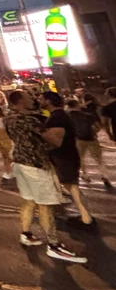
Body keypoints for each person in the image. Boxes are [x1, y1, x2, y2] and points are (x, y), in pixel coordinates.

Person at [5, 90, 86, 263]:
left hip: (20, 163)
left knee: (29, 201)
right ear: (20, 101)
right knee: (46, 205)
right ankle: (54, 245)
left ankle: (26, 234)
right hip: (36, 166)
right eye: (28, 97)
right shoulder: (31, 120)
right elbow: (54, 140)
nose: (33, 99)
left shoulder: (9, 118)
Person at [42, 94, 93, 228]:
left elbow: (56, 141)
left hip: (63, 157)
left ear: (48, 101)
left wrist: (40, 134)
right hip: (67, 155)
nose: (38, 101)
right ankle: (86, 217)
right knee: (71, 186)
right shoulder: (61, 115)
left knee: (72, 187)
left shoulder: (57, 118)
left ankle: (86, 219)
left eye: (41, 99)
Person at [69, 99, 112, 188]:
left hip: (79, 139)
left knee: (80, 158)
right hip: (92, 139)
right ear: (77, 105)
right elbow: (98, 126)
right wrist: (94, 132)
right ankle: (104, 175)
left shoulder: (68, 116)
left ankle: (85, 174)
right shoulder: (87, 115)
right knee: (99, 159)